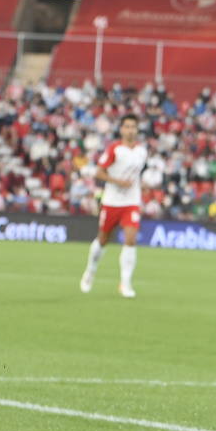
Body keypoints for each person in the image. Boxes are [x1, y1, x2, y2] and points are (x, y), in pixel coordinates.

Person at [80, 114, 147, 299]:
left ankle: (125, 283)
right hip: (111, 202)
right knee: (103, 240)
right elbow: (98, 173)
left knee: (131, 239)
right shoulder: (114, 150)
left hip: (131, 202)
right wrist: (117, 181)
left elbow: (136, 175)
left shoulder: (142, 151)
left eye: (133, 126)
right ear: (121, 129)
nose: (130, 130)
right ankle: (90, 271)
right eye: (127, 126)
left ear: (137, 129)